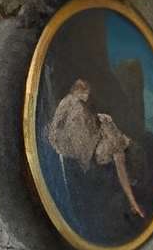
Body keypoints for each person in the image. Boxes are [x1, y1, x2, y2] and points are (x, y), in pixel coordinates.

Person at [46, 75, 146, 223]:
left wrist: (133, 202)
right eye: (83, 92)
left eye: (86, 92)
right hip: (81, 147)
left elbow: (121, 170)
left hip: (88, 149)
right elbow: (56, 130)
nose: (86, 96)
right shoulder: (74, 106)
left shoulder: (112, 139)